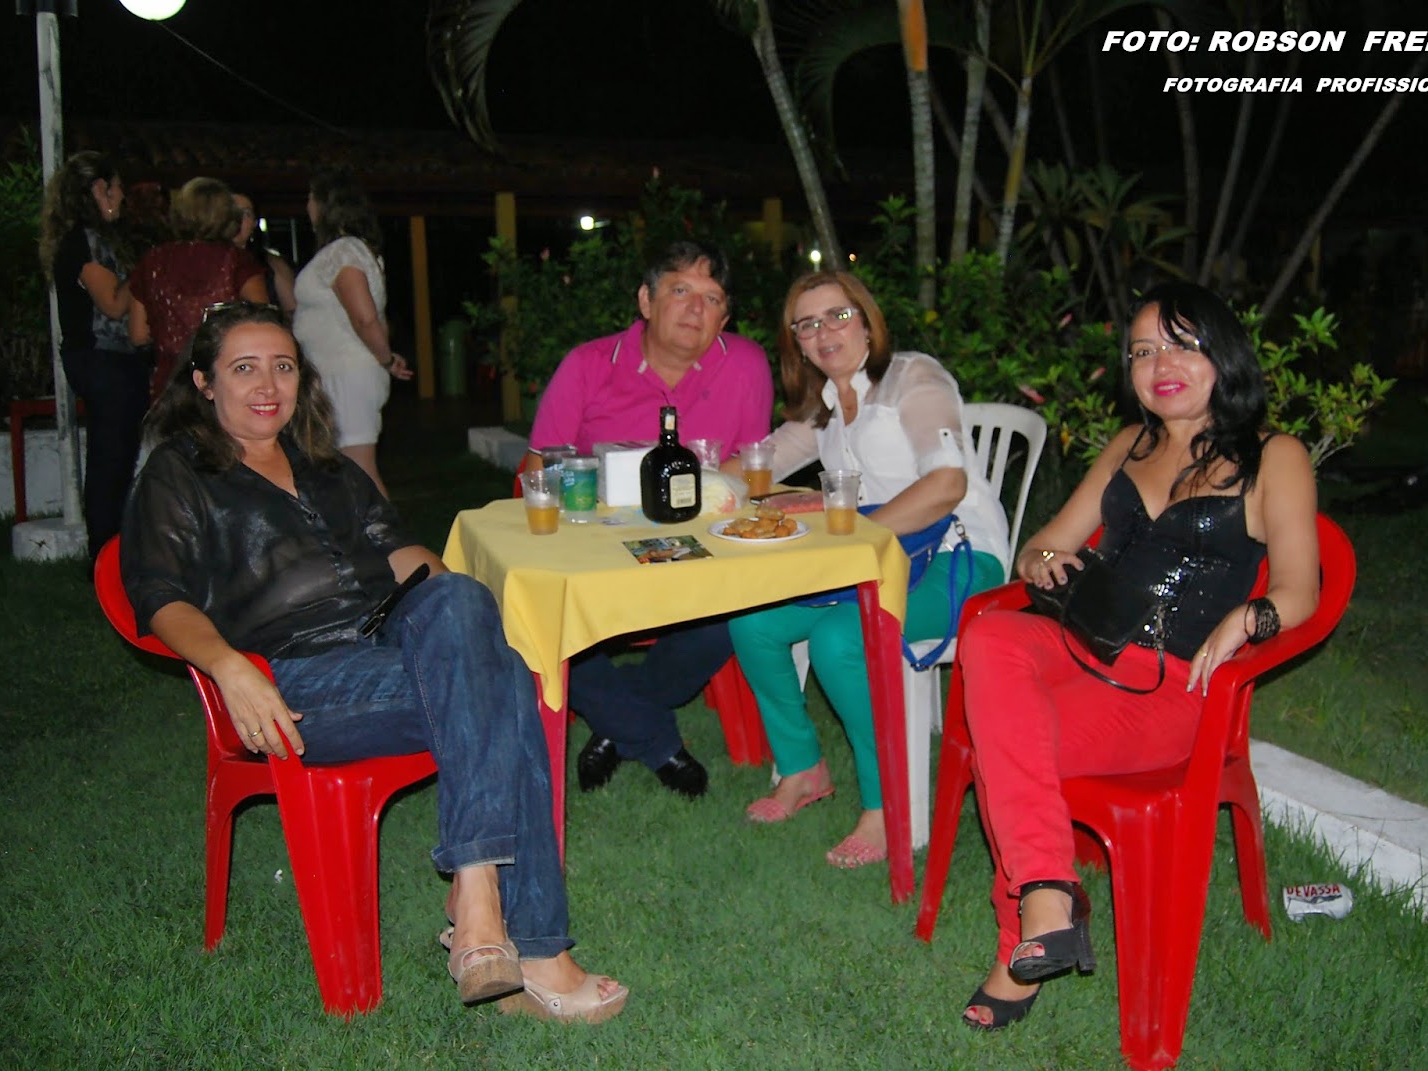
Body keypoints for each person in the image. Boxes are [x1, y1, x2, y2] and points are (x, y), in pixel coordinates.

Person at [119, 302, 626, 1023]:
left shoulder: (327, 467)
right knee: (506, 681)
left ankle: (478, 900)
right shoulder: (180, 472)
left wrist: (469, 622)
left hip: (387, 643)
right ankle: (529, 938)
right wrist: (229, 666)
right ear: (203, 382)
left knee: (460, 599)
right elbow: (158, 596)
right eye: (244, 367)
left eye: (283, 366)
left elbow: (404, 555)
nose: (268, 384)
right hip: (293, 678)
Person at [956, 281, 1318, 1030]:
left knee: (1009, 747)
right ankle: (1051, 889)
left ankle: (1026, 932)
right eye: (1144, 351)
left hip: (1173, 687)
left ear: (1224, 355)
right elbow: (1042, 543)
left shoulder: (1274, 456)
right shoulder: (1131, 445)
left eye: (1182, 346)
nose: (1161, 365)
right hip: (1082, 643)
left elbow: (1302, 589)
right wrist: (1044, 562)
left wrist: (1252, 616)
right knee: (989, 636)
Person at [722, 271, 1012, 868]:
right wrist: (685, 484)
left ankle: (886, 807)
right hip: (874, 561)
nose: (824, 332)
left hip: (958, 560)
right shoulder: (826, 408)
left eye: (838, 315)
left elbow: (947, 484)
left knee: (841, 637)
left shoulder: (913, 378)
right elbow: (758, 463)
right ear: (798, 344)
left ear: (867, 321)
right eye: (807, 324)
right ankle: (803, 768)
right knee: (753, 622)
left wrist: (852, 532)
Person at [525, 240, 774, 799]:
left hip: (700, 553)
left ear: (724, 319)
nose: (695, 308)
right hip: (595, 556)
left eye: (712, 299)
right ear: (646, 300)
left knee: (738, 612)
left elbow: (750, 466)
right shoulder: (588, 365)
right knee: (544, 621)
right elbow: (539, 468)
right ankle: (655, 739)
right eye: (680, 290)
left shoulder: (746, 365)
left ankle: (615, 723)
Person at [39, 150, 149, 565]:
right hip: (102, 359)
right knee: (110, 459)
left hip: (113, 359)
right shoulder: (83, 241)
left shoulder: (96, 238)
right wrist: (145, 269)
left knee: (117, 457)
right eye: (116, 188)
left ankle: (112, 550)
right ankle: (104, 554)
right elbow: (114, 304)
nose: (122, 197)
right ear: (99, 189)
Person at [292, 166, 411, 498]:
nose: (307, 206)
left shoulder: (344, 251)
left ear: (326, 204)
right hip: (337, 373)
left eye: (311, 198)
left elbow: (365, 318)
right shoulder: (347, 250)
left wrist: (385, 360)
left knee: (360, 471)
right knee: (342, 474)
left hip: (347, 376)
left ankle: (386, 533)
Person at [129, 176, 269, 398]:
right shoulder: (237, 260)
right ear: (227, 216)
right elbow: (263, 322)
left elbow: (138, 334)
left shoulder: (153, 261)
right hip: (225, 381)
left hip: (171, 382)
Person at [231, 193, 297, 319]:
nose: (237, 219)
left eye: (246, 214)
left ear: (254, 223)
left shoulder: (272, 262)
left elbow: (292, 312)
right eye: (232, 212)